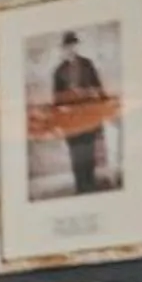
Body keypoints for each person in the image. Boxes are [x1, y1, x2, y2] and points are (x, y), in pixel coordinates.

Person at [47, 31, 111, 194]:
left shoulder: (87, 64)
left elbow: (98, 86)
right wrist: (58, 118)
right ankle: (80, 185)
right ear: (63, 49)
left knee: (89, 150)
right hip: (70, 119)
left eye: (73, 45)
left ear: (77, 46)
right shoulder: (58, 71)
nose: (70, 49)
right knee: (76, 152)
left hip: (88, 115)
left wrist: (105, 105)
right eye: (67, 46)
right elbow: (56, 100)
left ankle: (90, 183)